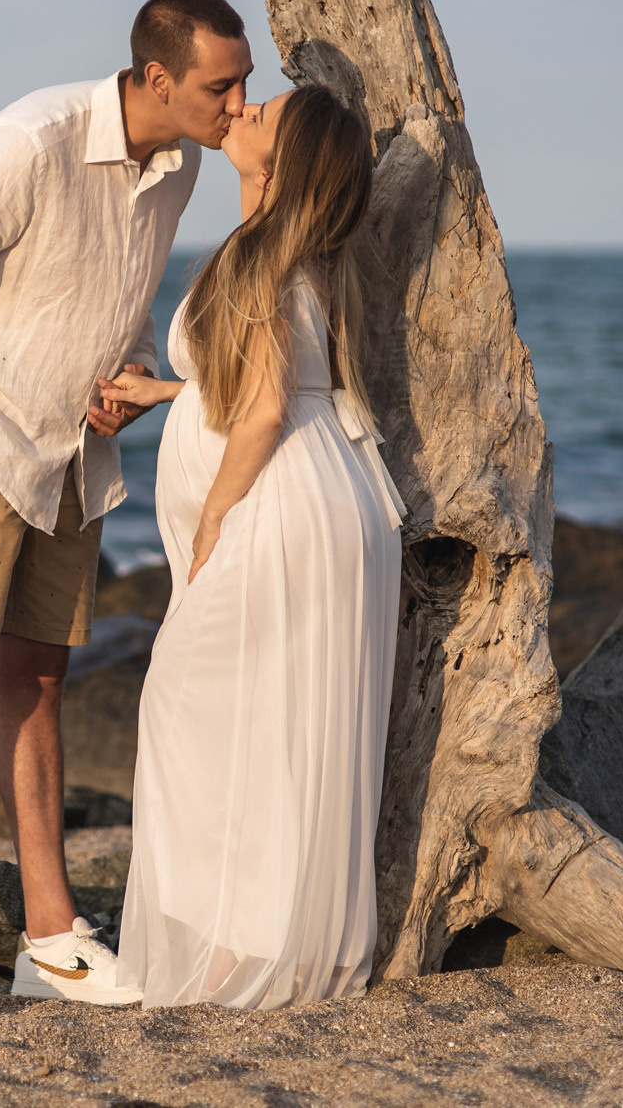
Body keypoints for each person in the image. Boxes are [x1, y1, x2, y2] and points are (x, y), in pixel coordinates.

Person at [0, 0, 252, 1012]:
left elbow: (108, 296)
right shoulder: (25, 142)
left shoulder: (176, 167)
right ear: (157, 77)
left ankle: (49, 940)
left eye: (243, 81)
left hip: (70, 456)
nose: (238, 101)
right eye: (222, 84)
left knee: (36, 682)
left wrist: (127, 375)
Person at [100, 83, 406, 1010]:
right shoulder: (300, 253)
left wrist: (212, 520)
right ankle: (271, 941)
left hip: (281, 507)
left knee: (190, 709)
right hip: (339, 498)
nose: (242, 108)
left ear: (283, 163)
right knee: (279, 727)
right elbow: (261, 379)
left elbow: (266, 405)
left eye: (260, 111)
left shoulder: (265, 263)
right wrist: (162, 397)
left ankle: (238, 951)